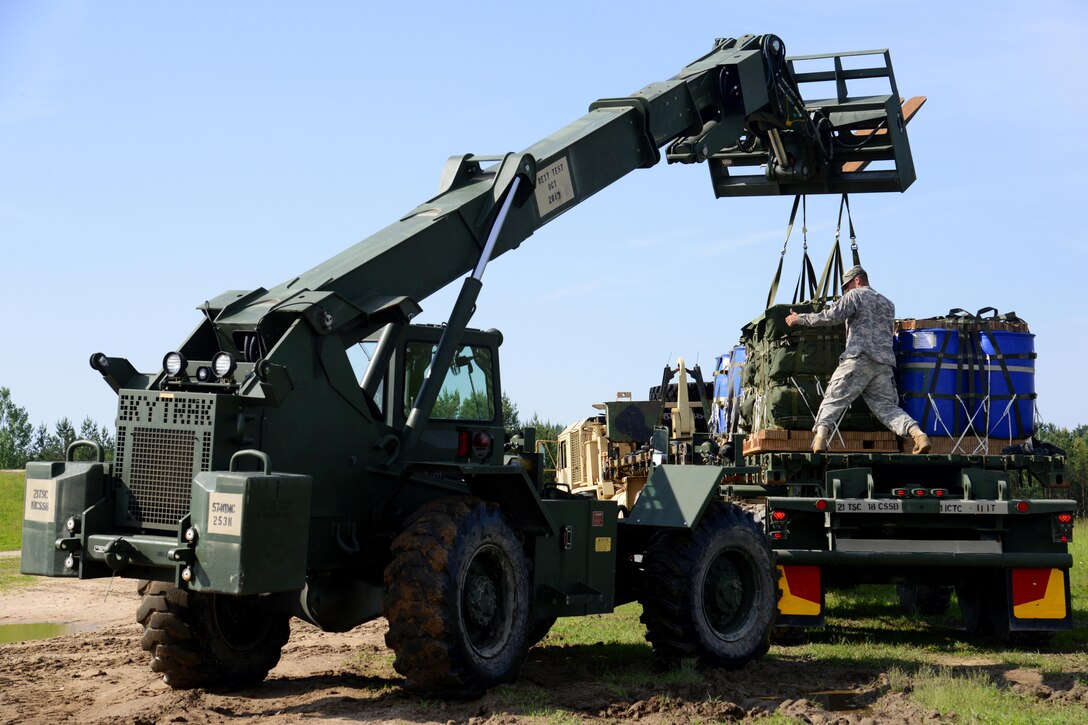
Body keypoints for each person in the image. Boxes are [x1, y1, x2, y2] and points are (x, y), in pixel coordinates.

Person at [785, 265, 932, 454]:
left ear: (857, 280)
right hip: (883, 364)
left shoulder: (854, 296)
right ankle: (918, 434)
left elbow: (832, 316)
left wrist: (801, 318)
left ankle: (820, 440)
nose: (845, 291)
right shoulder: (888, 303)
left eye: (846, 286)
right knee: (887, 408)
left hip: (858, 358)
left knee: (833, 399)